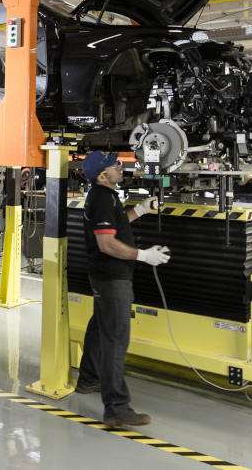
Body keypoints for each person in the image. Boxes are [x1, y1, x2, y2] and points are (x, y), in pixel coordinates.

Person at [75, 150, 170, 427]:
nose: (120, 166)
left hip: (104, 276)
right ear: (103, 175)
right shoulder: (102, 199)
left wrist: (140, 210)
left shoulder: (105, 196)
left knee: (99, 327)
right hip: (112, 277)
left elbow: (115, 225)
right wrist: (143, 255)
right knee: (115, 340)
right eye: (115, 165)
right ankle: (116, 407)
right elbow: (106, 243)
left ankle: (88, 380)